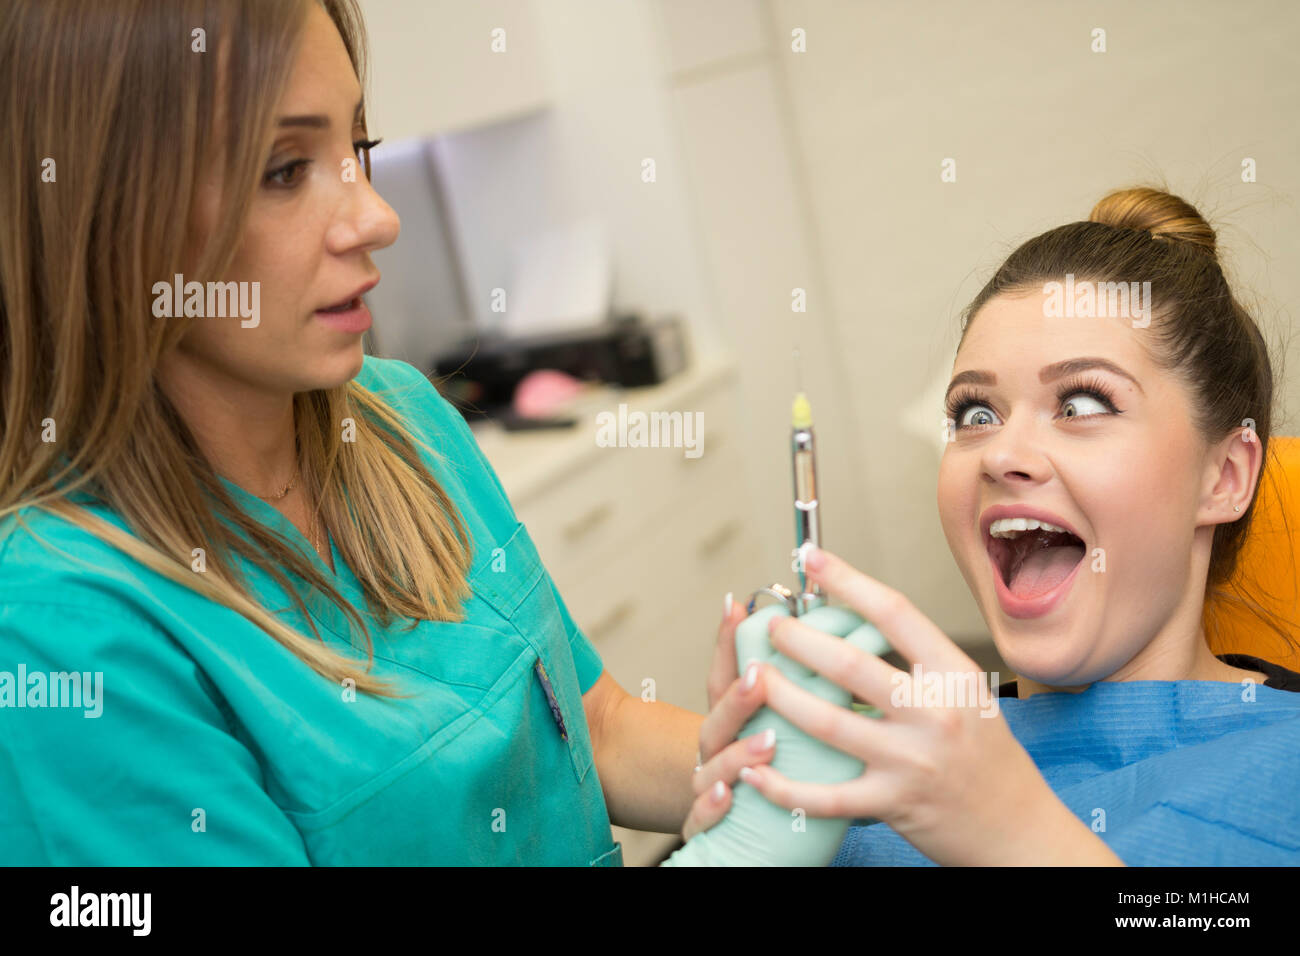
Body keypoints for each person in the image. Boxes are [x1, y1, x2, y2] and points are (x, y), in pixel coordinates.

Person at [0, 0, 763, 865]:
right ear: (106, 220)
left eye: (355, 150)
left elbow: (596, 724)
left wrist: (796, 767)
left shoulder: (401, 419)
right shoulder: (59, 625)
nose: (376, 217)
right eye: (286, 169)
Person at [706, 187, 1300, 865]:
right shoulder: (870, 761)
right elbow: (613, 737)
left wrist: (1015, 836)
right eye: (975, 414)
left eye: (1080, 403)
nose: (1002, 454)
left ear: (1223, 476)